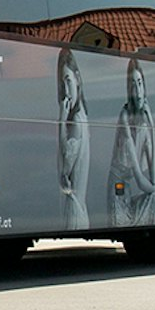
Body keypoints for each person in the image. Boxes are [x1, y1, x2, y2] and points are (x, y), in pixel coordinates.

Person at [109, 59, 155, 226]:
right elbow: (141, 181)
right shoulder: (125, 116)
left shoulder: (143, 122)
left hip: (128, 194)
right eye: (133, 85)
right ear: (129, 90)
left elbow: (153, 177)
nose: (138, 91)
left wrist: (152, 127)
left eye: (140, 83)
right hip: (118, 197)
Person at [56, 48, 90, 229]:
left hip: (74, 212)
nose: (66, 91)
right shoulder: (81, 116)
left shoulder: (76, 120)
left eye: (68, 80)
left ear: (77, 78)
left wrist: (61, 120)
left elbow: (65, 168)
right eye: (63, 83)